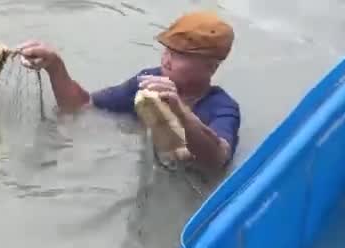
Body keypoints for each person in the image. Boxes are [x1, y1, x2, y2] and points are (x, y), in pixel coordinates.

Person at [15, 10, 240, 174]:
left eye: (180, 55)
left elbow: (217, 160)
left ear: (212, 67)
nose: (167, 60)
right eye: (167, 50)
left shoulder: (221, 107)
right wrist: (55, 65)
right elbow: (80, 106)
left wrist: (180, 110)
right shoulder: (146, 83)